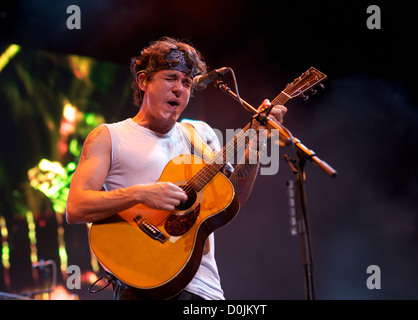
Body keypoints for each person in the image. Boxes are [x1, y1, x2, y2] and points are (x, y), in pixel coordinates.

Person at [66, 37, 287, 300]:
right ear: (143, 81)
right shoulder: (109, 136)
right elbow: (76, 207)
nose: (179, 89)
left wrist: (258, 143)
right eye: (170, 78)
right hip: (143, 286)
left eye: (186, 82)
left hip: (206, 291)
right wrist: (141, 194)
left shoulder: (200, 133)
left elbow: (230, 201)